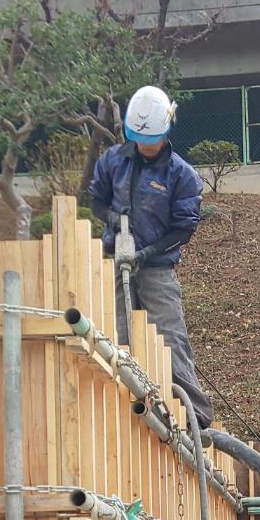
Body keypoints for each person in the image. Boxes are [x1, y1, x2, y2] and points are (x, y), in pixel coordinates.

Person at [89, 85, 212, 428]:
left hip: (157, 268)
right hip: (115, 260)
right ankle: (126, 413)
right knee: (117, 338)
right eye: (140, 139)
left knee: (170, 341)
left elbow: (183, 229)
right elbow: (96, 199)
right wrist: (112, 219)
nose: (145, 146)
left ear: (167, 130)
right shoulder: (113, 161)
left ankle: (195, 419)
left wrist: (147, 252)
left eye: (152, 139)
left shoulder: (181, 175)